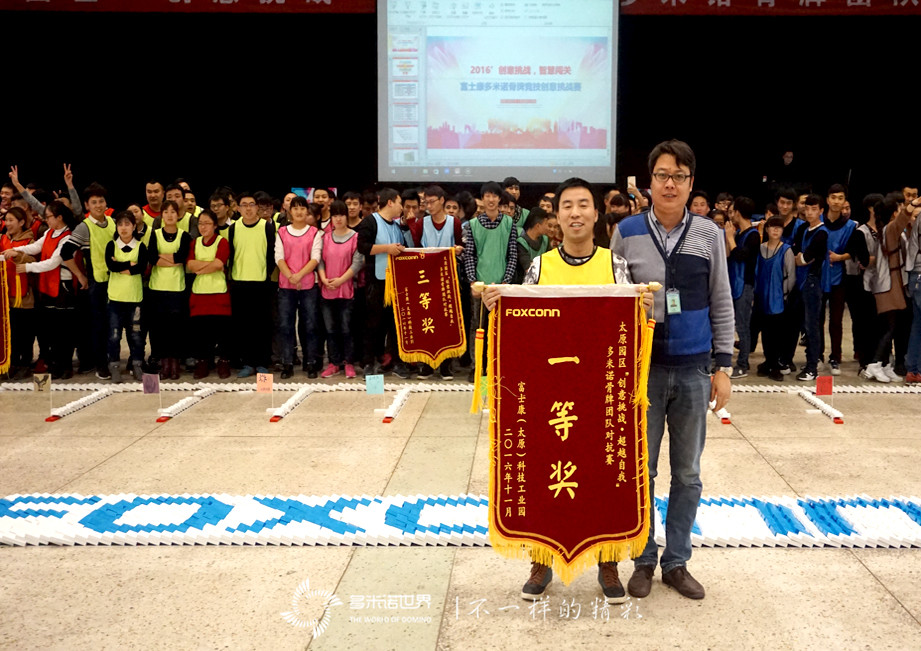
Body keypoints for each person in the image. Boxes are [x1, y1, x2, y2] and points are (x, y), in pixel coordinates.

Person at [484, 177, 649, 605]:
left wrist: (642, 310)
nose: (575, 213)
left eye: (583, 205)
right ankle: (541, 559)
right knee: (545, 470)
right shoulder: (540, 268)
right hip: (551, 393)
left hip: (599, 393)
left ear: (597, 214)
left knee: (600, 473)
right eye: (567, 207)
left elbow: (628, 331)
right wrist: (499, 306)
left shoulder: (616, 266)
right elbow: (525, 329)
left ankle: (607, 561)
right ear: (556, 217)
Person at [611, 139, 733, 601]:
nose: (669, 183)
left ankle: (676, 561)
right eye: (662, 175)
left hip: (693, 369)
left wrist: (723, 365)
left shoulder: (709, 234)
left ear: (690, 184)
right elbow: (612, 298)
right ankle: (642, 558)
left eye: (679, 177)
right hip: (642, 372)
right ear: (650, 181)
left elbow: (721, 298)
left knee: (688, 474)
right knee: (641, 470)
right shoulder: (626, 231)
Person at [13, 202, 82, 379]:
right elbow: (35, 247)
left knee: (64, 330)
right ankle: (55, 363)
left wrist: (27, 267)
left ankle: (66, 365)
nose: (46, 219)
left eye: (49, 216)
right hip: (47, 285)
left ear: (59, 217)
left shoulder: (68, 237)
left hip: (62, 286)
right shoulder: (49, 232)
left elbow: (53, 262)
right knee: (51, 329)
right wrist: (14, 249)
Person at [461, 182, 518, 380]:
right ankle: (477, 366)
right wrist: (473, 282)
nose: (491, 199)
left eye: (495, 196)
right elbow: (470, 256)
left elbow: (512, 255)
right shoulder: (472, 225)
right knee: (478, 325)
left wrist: (505, 282)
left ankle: (498, 365)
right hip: (480, 285)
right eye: (487, 196)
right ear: (482, 199)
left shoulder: (510, 224)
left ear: (500, 199)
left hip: (502, 286)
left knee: (501, 327)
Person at [61, 182, 116, 379]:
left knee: (114, 325)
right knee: (99, 326)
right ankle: (101, 365)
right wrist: (80, 275)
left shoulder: (113, 222)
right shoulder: (84, 227)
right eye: (94, 202)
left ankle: (114, 362)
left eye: (101, 201)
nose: (99, 205)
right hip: (97, 284)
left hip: (117, 282)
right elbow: (65, 253)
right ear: (87, 206)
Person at [409, 185, 464, 380]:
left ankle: (446, 365)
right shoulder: (421, 224)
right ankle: (426, 364)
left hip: (448, 279)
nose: (428, 206)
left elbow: (461, 247)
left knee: (447, 322)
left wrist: (457, 250)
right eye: (426, 202)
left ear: (442, 200)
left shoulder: (454, 223)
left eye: (431, 202)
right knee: (426, 320)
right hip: (426, 279)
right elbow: (415, 250)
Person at [863, 196, 917, 382]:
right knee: (889, 327)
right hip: (888, 284)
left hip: (895, 282)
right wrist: (915, 203)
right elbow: (903, 218)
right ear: (894, 212)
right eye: (899, 207)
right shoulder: (890, 229)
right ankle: (874, 364)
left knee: (894, 325)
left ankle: (885, 365)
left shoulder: (892, 230)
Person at [356, 188, 408, 377]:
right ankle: (368, 362)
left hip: (395, 283)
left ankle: (396, 361)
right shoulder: (371, 221)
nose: (402, 207)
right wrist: (387, 248)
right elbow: (362, 247)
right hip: (376, 283)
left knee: (395, 325)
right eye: (400, 202)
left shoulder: (396, 226)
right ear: (390, 202)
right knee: (372, 324)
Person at [228, 191, 277, 377]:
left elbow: (272, 254)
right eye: (244, 205)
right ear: (238, 208)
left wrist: (266, 275)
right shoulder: (234, 228)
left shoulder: (267, 227)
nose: (248, 208)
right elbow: (232, 254)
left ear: (257, 208)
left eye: (251, 205)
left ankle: (262, 362)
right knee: (244, 325)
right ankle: (248, 362)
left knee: (263, 325)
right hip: (240, 283)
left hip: (262, 283)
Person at [276, 195, 323, 379]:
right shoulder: (282, 232)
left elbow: (315, 258)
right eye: (295, 208)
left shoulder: (314, 233)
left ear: (307, 211)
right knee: (286, 325)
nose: (299, 211)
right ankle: (287, 362)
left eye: (302, 208)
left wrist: (299, 275)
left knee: (310, 325)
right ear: (290, 211)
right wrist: (289, 276)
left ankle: (310, 362)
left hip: (308, 286)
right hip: (286, 286)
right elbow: (278, 257)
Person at [318, 200, 363, 379]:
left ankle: (349, 362)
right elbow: (319, 261)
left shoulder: (355, 237)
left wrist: (340, 280)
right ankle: (333, 362)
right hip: (326, 291)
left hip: (346, 291)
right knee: (330, 330)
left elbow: (357, 263)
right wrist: (323, 279)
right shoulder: (325, 237)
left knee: (346, 329)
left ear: (347, 216)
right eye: (334, 215)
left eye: (341, 215)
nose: (338, 219)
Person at [147, 200, 191, 380]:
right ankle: (164, 362)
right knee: (159, 328)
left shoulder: (184, 235)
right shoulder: (155, 234)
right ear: (162, 215)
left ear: (178, 214)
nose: (170, 215)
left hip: (177, 288)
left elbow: (182, 257)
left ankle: (174, 363)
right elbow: (151, 257)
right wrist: (171, 260)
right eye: (166, 212)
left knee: (176, 327)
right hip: (157, 288)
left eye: (173, 212)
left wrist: (162, 257)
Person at [186, 209, 232, 379]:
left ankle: (224, 363)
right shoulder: (194, 243)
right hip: (199, 294)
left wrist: (201, 268)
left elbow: (219, 264)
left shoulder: (222, 242)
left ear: (214, 225)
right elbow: (190, 265)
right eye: (201, 223)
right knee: (200, 332)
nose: (203, 226)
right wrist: (209, 265)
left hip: (219, 293)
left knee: (221, 331)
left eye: (207, 223)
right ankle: (203, 363)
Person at [104, 211, 147, 382]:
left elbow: (141, 268)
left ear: (134, 226)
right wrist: (129, 264)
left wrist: (121, 266)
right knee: (114, 334)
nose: (123, 228)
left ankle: (137, 364)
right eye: (120, 224)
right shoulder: (111, 245)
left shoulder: (140, 246)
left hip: (135, 298)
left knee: (136, 335)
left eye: (127, 224)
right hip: (115, 298)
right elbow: (111, 266)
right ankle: (114, 365)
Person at [820, 184, 856, 375]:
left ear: (844, 202)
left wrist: (840, 257)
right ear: (827, 200)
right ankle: (816, 355)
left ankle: (835, 357)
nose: (836, 201)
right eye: (833, 197)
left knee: (836, 320)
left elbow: (855, 251)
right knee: (816, 319)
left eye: (840, 198)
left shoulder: (851, 226)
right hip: (818, 277)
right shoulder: (816, 221)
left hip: (838, 278)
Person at [792, 194, 829, 382]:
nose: (810, 212)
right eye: (807, 208)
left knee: (812, 326)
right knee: (799, 323)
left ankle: (812, 366)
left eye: (814, 209)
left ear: (821, 211)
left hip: (813, 282)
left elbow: (805, 258)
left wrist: (802, 258)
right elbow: (795, 253)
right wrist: (801, 257)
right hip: (799, 281)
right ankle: (796, 360)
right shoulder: (803, 229)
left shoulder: (822, 233)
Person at [754, 216, 795, 381]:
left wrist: (784, 295)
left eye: (779, 227)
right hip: (762, 298)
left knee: (777, 334)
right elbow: (756, 273)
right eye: (772, 227)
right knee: (765, 333)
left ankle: (775, 365)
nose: (775, 230)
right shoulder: (760, 249)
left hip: (778, 299)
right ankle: (768, 361)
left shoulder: (786, 250)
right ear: (767, 229)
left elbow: (791, 277)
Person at [724, 196, 760, 378]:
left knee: (743, 325)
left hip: (744, 285)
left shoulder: (753, 235)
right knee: (733, 324)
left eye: (732, 212)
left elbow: (741, 255)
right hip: (733, 283)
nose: (731, 216)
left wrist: (730, 238)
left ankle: (743, 363)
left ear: (738, 212)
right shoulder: (739, 234)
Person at [0, 207, 36, 379]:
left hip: (24, 293)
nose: (7, 224)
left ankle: (25, 363)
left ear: (21, 223)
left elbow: (34, 260)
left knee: (25, 331)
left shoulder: (30, 241)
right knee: (9, 331)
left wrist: (16, 255)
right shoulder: (2, 239)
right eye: (6, 220)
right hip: (5, 295)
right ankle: (11, 363)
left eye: (11, 220)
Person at [513, 207, 551, 284]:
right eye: (546, 224)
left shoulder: (545, 240)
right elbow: (528, 268)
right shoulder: (521, 243)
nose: (548, 228)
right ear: (538, 226)